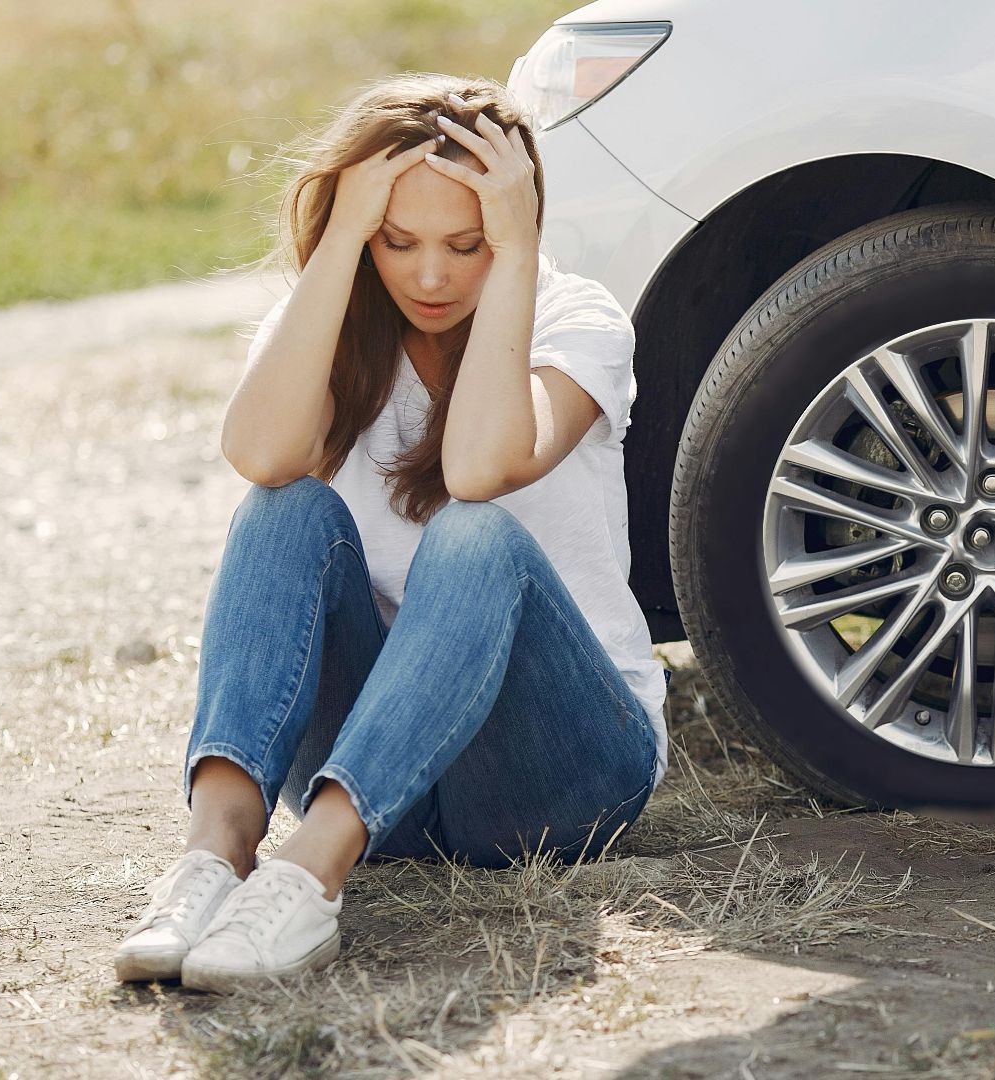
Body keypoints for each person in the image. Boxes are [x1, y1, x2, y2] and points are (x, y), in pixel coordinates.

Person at [112, 73, 668, 993]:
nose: (432, 275)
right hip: (386, 786)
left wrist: (519, 256)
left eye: (466, 243)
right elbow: (258, 452)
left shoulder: (578, 321)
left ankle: (307, 876)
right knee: (283, 505)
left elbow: (481, 468)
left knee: (474, 534)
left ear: (514, 225)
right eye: (398, 241)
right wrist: (338, 240)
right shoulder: (328, 326)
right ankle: (213, 859)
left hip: (562, 769)